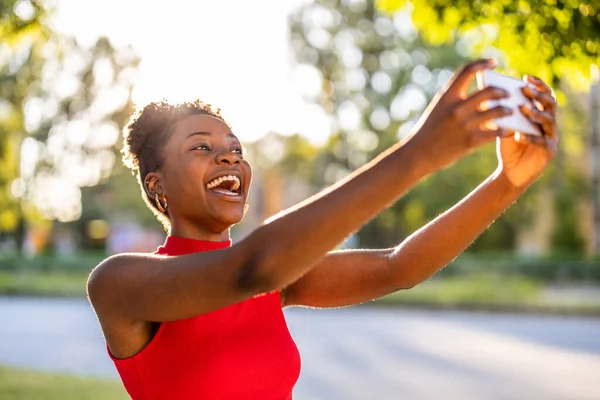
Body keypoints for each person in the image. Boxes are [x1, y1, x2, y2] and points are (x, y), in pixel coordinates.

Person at [87, 59, 558, 400]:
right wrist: (417, 155)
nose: (229, 156)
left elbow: (400, 266)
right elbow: (249, 269)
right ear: (158, 185)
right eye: (201, 147)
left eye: (235, 147)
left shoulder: (272, 279)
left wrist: (508, 183)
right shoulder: (120, 283)